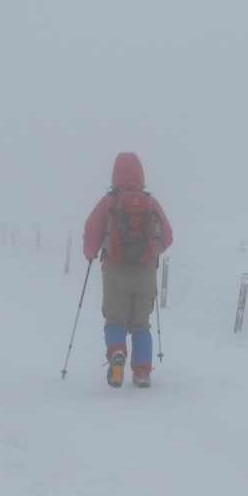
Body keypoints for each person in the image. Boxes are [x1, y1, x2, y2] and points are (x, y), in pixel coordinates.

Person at [81, 152, 173, 388]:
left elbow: (91, 231)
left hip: (115, 271)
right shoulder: (150, 203)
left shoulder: (109, 201)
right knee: (141, 324)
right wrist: (152, 252)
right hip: (144, 273)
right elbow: (168, 237)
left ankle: (117, 354)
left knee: (115, 320)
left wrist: (91, 254)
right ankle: (142, 373)